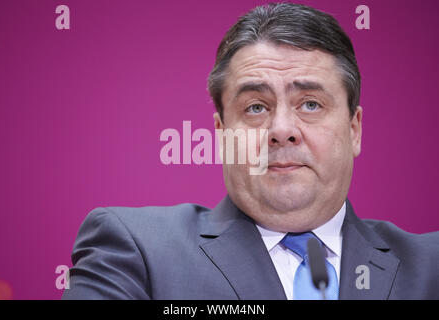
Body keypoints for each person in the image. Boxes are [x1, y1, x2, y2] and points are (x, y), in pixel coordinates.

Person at [62, 3, 439, 300]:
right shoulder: (138, 251)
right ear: (222, 134)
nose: (282, 131)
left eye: (310, 104)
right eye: (256, 107)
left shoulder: (430, 267)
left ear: (354, 129)